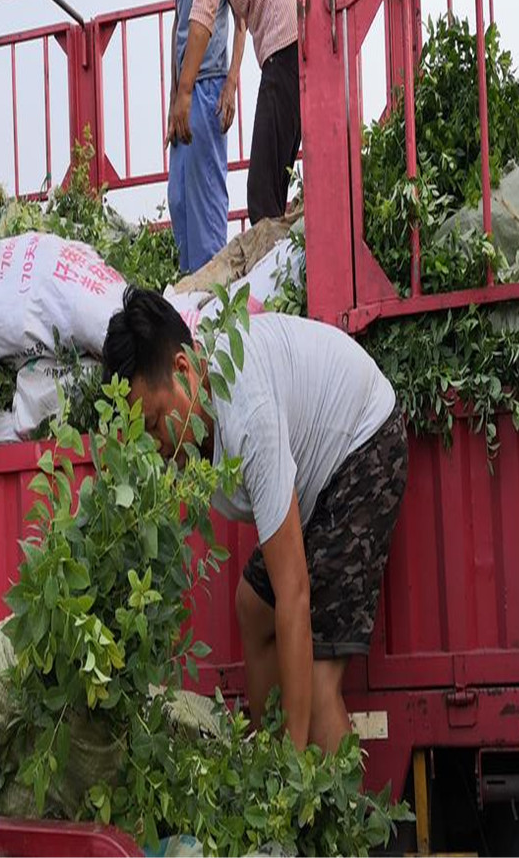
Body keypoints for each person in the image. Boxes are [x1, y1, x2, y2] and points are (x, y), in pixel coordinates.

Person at [102, 288, 409, 752]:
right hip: (314, 476)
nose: (153, 444)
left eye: (152, 422)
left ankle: (318, 801)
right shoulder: (196, 415)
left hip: (362, 445)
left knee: (319, 678)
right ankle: (265, 761)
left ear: (184, 370)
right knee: (252, 605)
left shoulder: (249, 416)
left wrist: (295, 750)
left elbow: (294, 593)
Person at [168, 0, 299, 226]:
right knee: (275, 181)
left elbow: (205, 5)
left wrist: (182, 93)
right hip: (301, 42)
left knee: (261, 196)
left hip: (286, 48)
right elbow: (239, 17)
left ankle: (280, 275)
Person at [166, 0, 246, 274]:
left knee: (207, 203)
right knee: (179, 200)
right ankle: (191, 291)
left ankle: (215, 299)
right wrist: (173, 95)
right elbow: (180, 17)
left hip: (210, 81)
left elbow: (241, 19)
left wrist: (231, 83)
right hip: (184, 90)